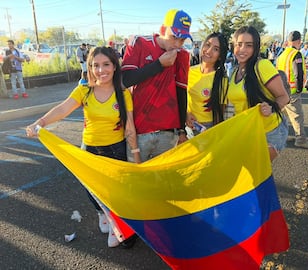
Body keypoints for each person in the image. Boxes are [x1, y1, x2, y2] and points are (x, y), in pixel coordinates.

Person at [26, 46, 141, 248]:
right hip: (89, 149)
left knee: (113, 193)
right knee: (92, 191)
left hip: (115, 149)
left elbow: (129, 127)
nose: (101, 70)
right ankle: (102, 216)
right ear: (89, 67)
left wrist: (136, 157)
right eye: (95, 65)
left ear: (115, 66)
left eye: (106, 64)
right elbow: (63, 108)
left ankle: (117, 226)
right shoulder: (84, 90)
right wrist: (41, 122)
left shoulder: (123, 94)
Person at [121, 9, 192, 162]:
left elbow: (181, 92)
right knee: (136, 178)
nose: (177, 44)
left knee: (163, 180)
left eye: (182, 40)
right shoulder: (139, 43)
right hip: (139, 131)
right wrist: (159, 64)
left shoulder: (183, 55)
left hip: (168, 132)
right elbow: (125, 80)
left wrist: (181, 131)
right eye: (174, 37)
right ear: (162, 30)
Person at [227, 26, 290, 161]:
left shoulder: (262, 66)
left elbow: (284, 97)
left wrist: (271, 108)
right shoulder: (234, 71)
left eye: (248, 45)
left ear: (256, 47)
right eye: (239, 44)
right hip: (246, 132)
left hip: (268, 133)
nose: (242, 49)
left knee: (257, 175)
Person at [277, 31, 308, 149]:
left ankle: (281, 135)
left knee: (282, 115)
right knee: (297, 116)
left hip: (281, 90)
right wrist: (299, 89)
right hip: (292, 91)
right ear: (299, 41)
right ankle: (301, 139)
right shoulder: (296, 54)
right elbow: (298, 73)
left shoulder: (282, 54)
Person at [186, 32, 228, 137]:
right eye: (208, 45)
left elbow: (220, 111)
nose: (209, 51)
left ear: (220, 56)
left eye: (216, 49)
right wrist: (185, 115)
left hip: (208, 128)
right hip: (187, 126)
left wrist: (214, 133)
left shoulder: (222, 79)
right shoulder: (188, 71)